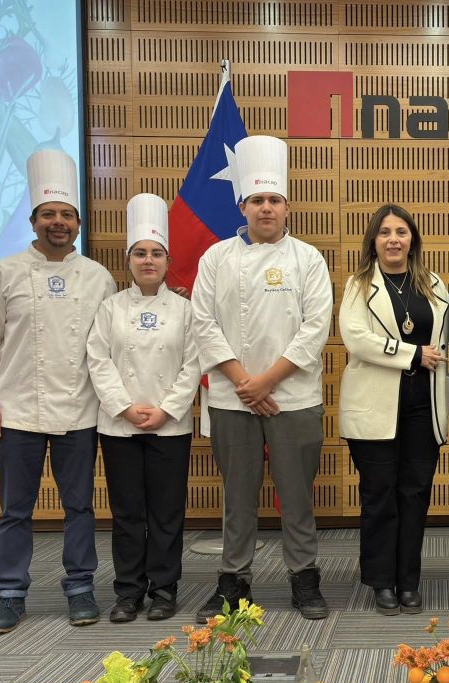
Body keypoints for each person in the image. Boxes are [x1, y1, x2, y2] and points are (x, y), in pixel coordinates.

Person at [0, 149, 116, 633]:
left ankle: (80, 587)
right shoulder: (3, 273)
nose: (58, 222)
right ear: (33, 221)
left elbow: (112, 341)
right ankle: (10, 593)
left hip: (80, 409)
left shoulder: (98, 277)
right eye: (48, 214)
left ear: (78, 224)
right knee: (15, 509)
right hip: (16, 410)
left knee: (79, 506)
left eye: (66, 215)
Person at [191, 135, 333, 622]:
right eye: (257, 200)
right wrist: (244, 382)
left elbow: (315, 328)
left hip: (293, 396)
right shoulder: (216, 258)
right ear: (242, 207)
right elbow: (203, 323)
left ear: (287, 207)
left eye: (274, 200)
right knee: (237, 496)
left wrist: (266, 381)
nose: (266, 208)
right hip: (233, 397)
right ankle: (233, 580)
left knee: (297, 495)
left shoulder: (308, 258)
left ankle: (304, 576)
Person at [86, 193, 199, 622]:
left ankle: (164, 589)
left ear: (168, 261)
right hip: (119, 426)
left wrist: (166, 410)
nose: (148, 260)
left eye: (155, 253)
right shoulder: (110, 308)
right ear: (128, 260)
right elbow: (97, 361)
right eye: (140, 253)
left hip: (170, 427)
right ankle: (129, 591)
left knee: (167, 512)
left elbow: (193, 364)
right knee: (128, 513)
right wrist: (124, 407)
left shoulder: (185, 310)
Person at [339, 204, 449, 615]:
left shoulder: (434, 284)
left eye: (401, 232)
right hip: (374, 409)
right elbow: (356, 339)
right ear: (373, 240)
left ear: (412, 240)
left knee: (415, 495)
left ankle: (408, 581)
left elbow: (447, 341)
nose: (393, 240)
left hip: (424, 406)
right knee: (380, 495)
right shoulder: (358, 284)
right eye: (385, 232)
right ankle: (381, 580)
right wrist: (412, 354)